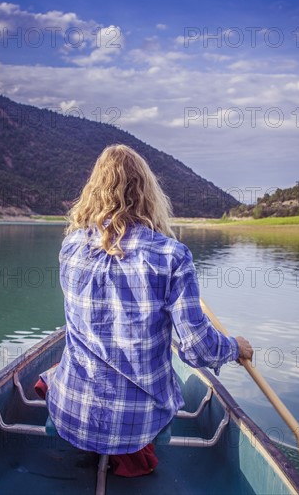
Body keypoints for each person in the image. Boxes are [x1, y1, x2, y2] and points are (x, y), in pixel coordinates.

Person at [41, 144, 253, 476]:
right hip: (135, 427)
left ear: (94, 190)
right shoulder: (172, 256)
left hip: (73, 415)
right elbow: (197, 350)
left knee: (60, 366)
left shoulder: (71, 246)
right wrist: (234, 347)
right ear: (146, 192)